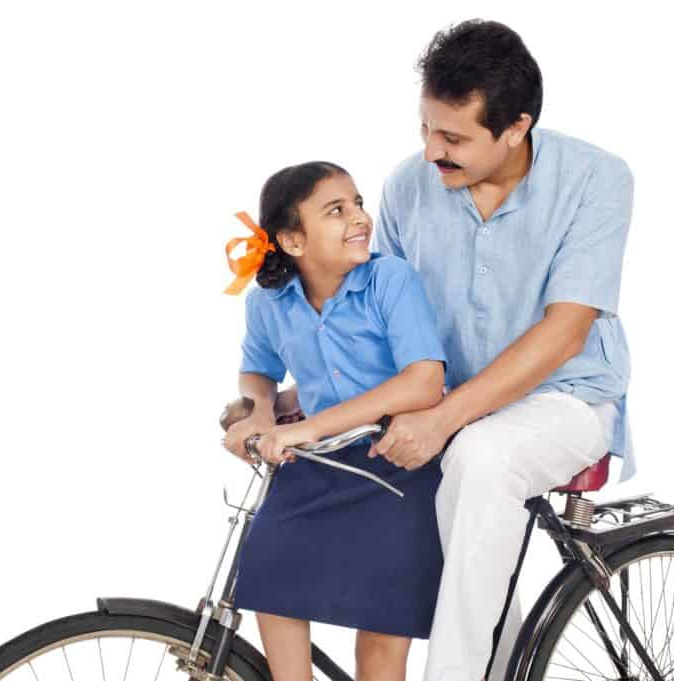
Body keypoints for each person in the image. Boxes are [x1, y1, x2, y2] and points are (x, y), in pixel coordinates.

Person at [267, 20, 636, 681]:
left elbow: (565, 333)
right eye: (426, 130)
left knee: (479, 456)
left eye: (455, 138)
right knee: (356, 478)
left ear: (516, 128)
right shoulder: (409, 187)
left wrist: (441, 419)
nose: (432, 150)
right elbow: (381, 328)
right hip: (440, 396)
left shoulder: (596, 179)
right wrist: (290, 399)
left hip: (567, 396)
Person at [220, 161, 447, 681]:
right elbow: (257, 372)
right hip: (317, 463)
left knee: (381, 635)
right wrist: (258, 413)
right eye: (337, 210)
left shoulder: (389, 279)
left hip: (397, 459)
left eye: (358, 203)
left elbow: (423, 383)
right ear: (294, 241)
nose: (360, 218)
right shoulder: (268, 302)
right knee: (268, 569)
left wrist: (305, 427)